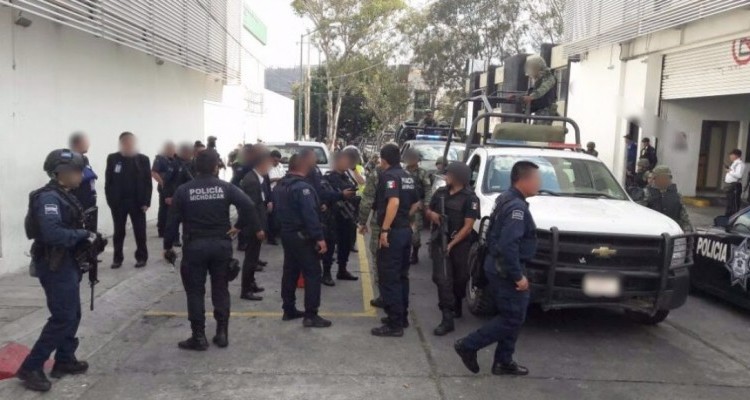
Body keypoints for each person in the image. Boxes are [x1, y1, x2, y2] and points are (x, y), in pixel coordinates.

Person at [17, 149, 97, 392]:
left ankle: (64, 359)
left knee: (73, 313)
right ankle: (31, 367)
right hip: (54, 264)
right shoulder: (48, 199)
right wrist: (83, 235)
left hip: (66, 262)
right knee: (63, 317)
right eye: (77, 171)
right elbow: (52, 233)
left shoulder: (65, 195)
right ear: (61, 173)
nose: (81, 175)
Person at [163, 150, 256, 350]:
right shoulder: (225, 187)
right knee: (221, 289)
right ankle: (222, 333)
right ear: (216, 167)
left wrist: (167, 246)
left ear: (195, 167)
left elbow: (172, 221)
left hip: (194, 246)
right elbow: (249, 206)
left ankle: (198, 336)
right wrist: (238, 226)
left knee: (195, 292)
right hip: (221, 245)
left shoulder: (184, 190)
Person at [455, 161, 540, 376]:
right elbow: (508, 245)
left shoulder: (507, 198)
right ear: (524, 180)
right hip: (506, 269)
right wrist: (518, 276)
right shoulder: (516, 208)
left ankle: (503, 361)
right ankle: (468, 345)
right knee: (512, 318)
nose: (539, 184)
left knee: (513, 315)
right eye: (537, 179)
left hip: (500, 266)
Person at [273, 154, 332, 328]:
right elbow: (310, 215)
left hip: (287, 234)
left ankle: (288, 309)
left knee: (290, 271)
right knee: (312, 273)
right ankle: (311, 315)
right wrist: (319, 237)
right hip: (302, 237)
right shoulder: (303, 188)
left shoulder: (280, 185)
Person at [426, 162, 480, 336]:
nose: (446, 176)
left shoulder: (470, 198)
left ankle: (457, 302)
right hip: (439, 242)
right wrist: (433, 215)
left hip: (460, 245)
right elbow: (428, 210)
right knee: (442, 279)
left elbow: (468, 226)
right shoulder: (440, 193)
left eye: (449, 174)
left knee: (461, 278)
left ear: (459, 177)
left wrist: (451, 244)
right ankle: (447, 317)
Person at [371, 144, 419, 337]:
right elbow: (416, 202)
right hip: (405, 231)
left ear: (384, 159)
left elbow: (394, 201)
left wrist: (385, 229)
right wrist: (405, 218)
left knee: (389, 278)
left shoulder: (389, 176)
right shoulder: (407, 176)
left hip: (393, 233)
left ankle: (394, 324)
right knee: (401, 276)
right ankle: (402, 317)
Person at [105, 132, 152, 269]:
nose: (129, 145)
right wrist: (111, 202)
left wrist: (146, 202)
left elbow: (148, 182)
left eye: (131, 142)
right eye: (126, 142)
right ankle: (117, 259)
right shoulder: (113, 158)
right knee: (119, 232)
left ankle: (141, 257)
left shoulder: (143, 159)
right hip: (119, 203)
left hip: (138, 203)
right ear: (121, 144)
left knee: (140, 232)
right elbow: (109, 182)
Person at [321, 152, 360, 286]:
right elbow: (325, 195)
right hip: (334, 217)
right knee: (330, 246)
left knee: (345, 244)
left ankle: (342, 270)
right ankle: (326, 273)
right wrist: (341, 194)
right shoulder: (328, 178)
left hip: (347, 217)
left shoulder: (347, 177)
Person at [238, 151, 272, 301]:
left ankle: (251, 283)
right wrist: (258, 228)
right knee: (250, 259)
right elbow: (251, 207)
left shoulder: (257, 178)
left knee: (254, 257)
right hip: (253, 226)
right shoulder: (251, 180)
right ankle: (246, 290)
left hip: (257, 223)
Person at [357, 163, 384, 308]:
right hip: (401, 224)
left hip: (381, 221)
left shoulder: (377, 175)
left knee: (378, 255)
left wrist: (362, 222)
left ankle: (384, 295)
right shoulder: (406, 176)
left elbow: (367, 200)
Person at [637, 166, 693, 233]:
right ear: (655, 179)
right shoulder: (646, 193)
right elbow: (639, 215)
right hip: (652, 232)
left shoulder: (677, 195)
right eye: (661, 178)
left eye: (666, 178)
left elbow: (685, 219)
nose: (664, 180)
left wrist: (688, 232)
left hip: (673, 232)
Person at [403, 148, 431, 265]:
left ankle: (414, 253)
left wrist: (426, 205)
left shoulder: (422, 173)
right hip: (403, 206)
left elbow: (427, 189)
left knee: (415, 234)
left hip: (416, 207)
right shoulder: (402, 171)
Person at [520, 55, 558, 125]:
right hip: (540, 110)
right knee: (534, 129)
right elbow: (532, 92)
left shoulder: (549, 78)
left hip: (546, 110)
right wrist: (518, 97)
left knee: (539, 130)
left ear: (536, 67)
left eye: (531, 67)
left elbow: (542, 89)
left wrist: (531, 97)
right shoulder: (539, 79)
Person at [152, 141, 177, 238]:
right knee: (164, 209)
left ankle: (172, 230)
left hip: (175, 187)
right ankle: (161, 230)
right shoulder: (160, 158)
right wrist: (162, 183)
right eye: (171, 149)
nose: (173, 151)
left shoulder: (175, 159)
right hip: (164, 187)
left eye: (174, 149)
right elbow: (154, 172)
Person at [69, 132, 98, 212]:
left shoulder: (84, 159)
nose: (88, 145)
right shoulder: (70, 160)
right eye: (85, 142)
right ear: (77, 144)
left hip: (89, 202)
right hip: (78, 204)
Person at [267, 150, 286, 245]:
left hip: (281, 191)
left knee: (280, 214)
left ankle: (278, 232)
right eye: (275, 161)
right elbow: (266, 181)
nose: (276, 162)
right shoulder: (267, 167)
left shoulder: (280, 166)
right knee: (272, 215)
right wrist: (276, 179)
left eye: (278, 160)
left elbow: (284, 176)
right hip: (271, 192)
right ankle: (271, 237)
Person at [724, 149, 744, 216]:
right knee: (729, 203)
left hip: (735, 185)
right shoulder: (734, 163)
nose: (730, 156)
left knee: (734, 204)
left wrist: (729, 171)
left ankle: (733, 217)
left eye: (731, 155)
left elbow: (739, 175)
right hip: (731, 185)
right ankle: (728, 217)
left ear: (736, 155)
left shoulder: (739, 164)